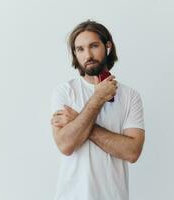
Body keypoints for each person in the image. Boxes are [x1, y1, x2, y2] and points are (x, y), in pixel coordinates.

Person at [50, 20, 145, 200]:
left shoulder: (130, 96)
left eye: (93, 46)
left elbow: (132, 152)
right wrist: (98, 98)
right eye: (80, 49)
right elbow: (65, 145)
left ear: (107, 46)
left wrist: (79, 121)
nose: (88, 55)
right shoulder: (65, 92)